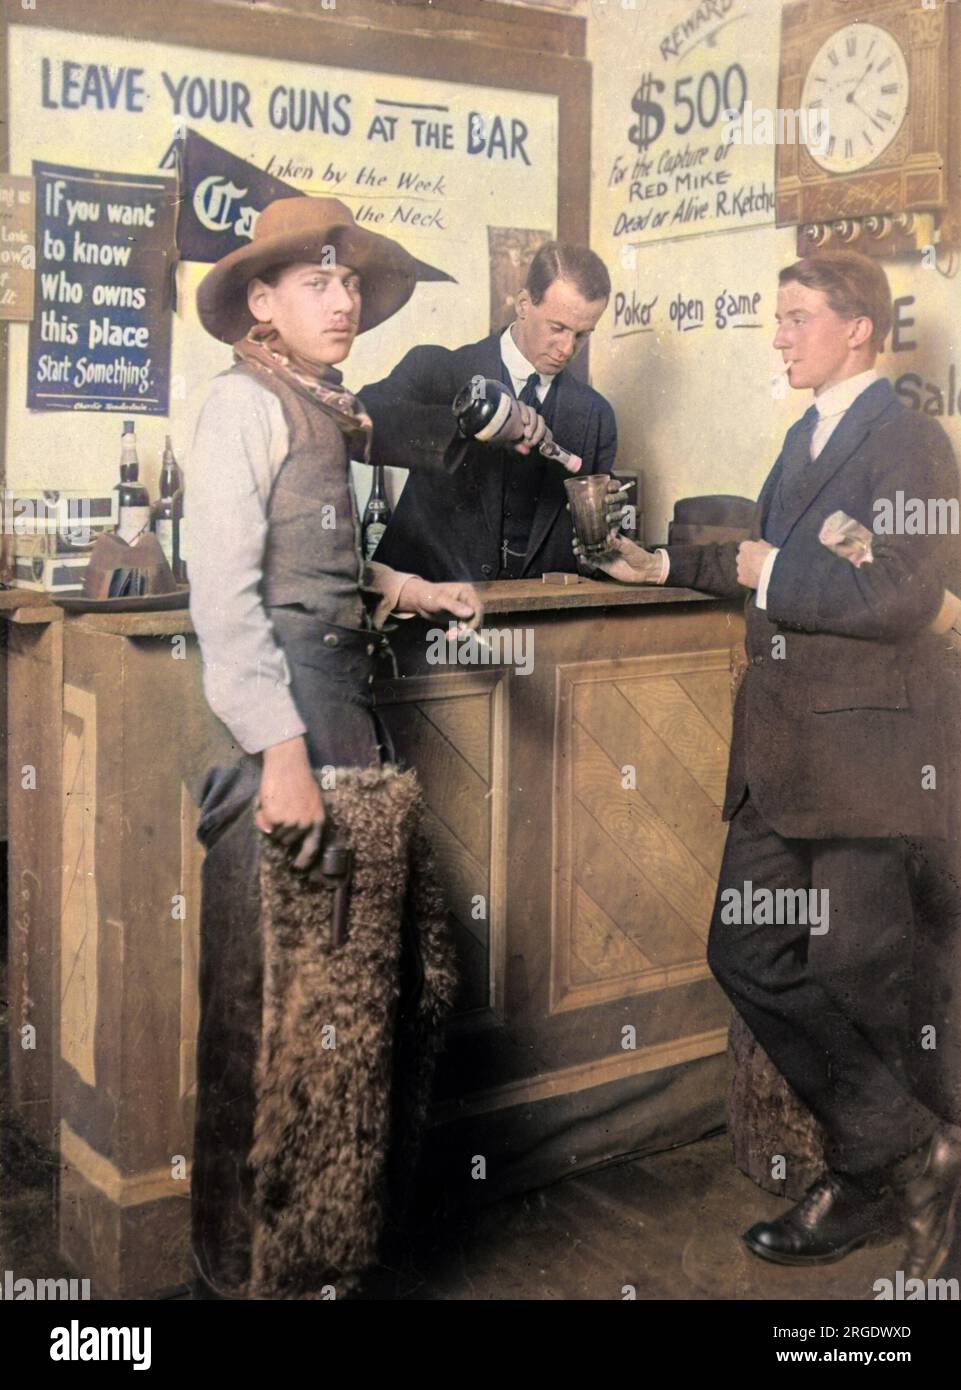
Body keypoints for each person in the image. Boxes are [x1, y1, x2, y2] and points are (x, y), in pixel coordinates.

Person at [585, 249, 961, 1277]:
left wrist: (772, 567)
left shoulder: (912, 442)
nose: (779, 335)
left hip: (867, 762)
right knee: (747, 953)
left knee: (858, 969)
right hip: (784, 753)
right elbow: (768, 559)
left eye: (797, 317)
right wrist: (669, 564)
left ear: (858, 330)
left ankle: (882, 1171)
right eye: (779, 315)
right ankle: (902, 1150)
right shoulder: (807, 434)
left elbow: (899, 591)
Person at [186, 195, 481, 1298]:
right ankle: (252, 1275)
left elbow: (321, 564)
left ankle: (329, 1263)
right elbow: (226, 597)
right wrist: (282, 755)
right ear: (260, 302)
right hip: (296, 723)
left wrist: (409, 585)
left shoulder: (322, 408)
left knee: (358, 1005)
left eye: (350, 282)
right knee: (290, 1014)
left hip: (347, 712)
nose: (345, 298)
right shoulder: (238, 407)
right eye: (318, 281)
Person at [359, 241, 617, 581]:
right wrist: (477, 420)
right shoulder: (439, 370)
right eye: (558, 328)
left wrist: (602, 529)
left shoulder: (595, 415)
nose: (568, 349)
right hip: (429, 615)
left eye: (583, 335)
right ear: (524, 305)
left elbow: (587, 551)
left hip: (537, 621)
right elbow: (358, 421)